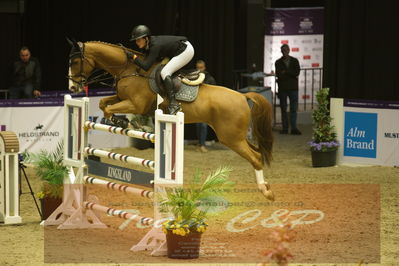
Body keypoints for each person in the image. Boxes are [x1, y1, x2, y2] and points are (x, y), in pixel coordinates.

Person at [128, 25, 194, 115]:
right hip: (176, 50)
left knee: (165, 72)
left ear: (146, 38)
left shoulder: (155, 45)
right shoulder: (150, 43)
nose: (137, 42)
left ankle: (173, 104)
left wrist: (134, 57)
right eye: (136, 40)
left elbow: (146, 66)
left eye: (138, 40)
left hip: (186, 51)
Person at [275, 44, 301, 135]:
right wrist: (290, 73)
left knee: (293, 109)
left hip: (293, 88)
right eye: (283, 50)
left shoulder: (294, 61)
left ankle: (294, 128)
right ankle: (285, 128)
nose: (284, 52)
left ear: (289, 50)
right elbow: (279, 75)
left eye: (286, 50)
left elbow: (296, 73)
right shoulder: (278, 62)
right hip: (283, 89)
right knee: (283, 109)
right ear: (281, 51)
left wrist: (285, 71)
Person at [195, 60, 216, 152]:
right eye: (198, 68)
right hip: (196, 105)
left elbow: (214, 93)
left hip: (206, 105)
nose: (199, 70)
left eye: (201, 67)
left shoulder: (210, 79)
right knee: (197, 125)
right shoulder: (194, 78)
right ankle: (200, 143)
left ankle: (202, 145)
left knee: (203, 125)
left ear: (204, 68)